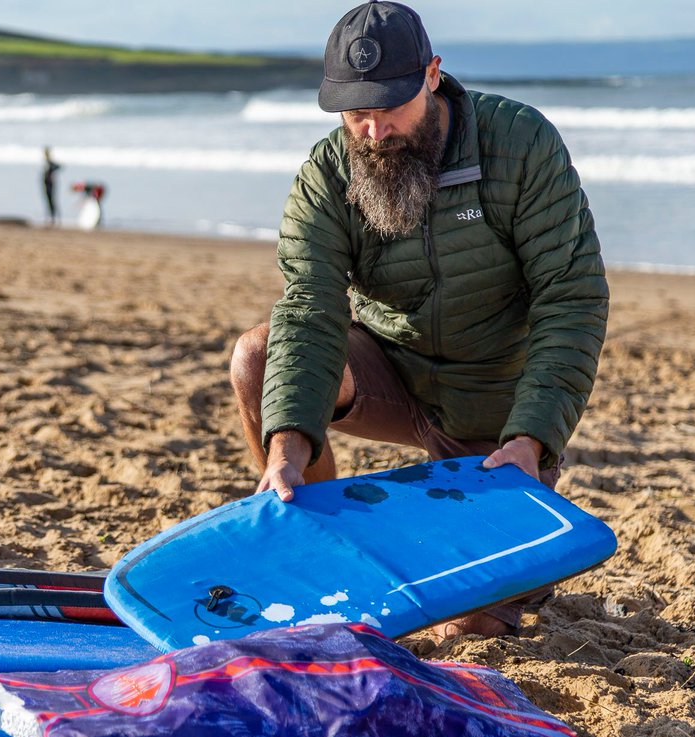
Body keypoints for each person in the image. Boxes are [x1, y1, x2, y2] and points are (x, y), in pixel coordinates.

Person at [228, 1, 608, 640]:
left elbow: (570, 298)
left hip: (493, 405)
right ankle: (325, 551)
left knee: (475, 624)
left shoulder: (518, 142)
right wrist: (287, 443)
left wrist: (533, 438)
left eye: (389, 109)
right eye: (355, 114)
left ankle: (505, 539)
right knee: (257, 357)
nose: (373, 132)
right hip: (391, 375)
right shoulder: (330, 172)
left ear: (432, 75)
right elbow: (309, 308)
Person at [42, 146, 61, 225]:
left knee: (51, 201)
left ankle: (54, 218)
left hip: (50, 185)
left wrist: (51, 173)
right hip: (47, 184)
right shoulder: (46, 162)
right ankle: (51, 218)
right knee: (49, 201)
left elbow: (59, 166)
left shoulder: (50, 162)